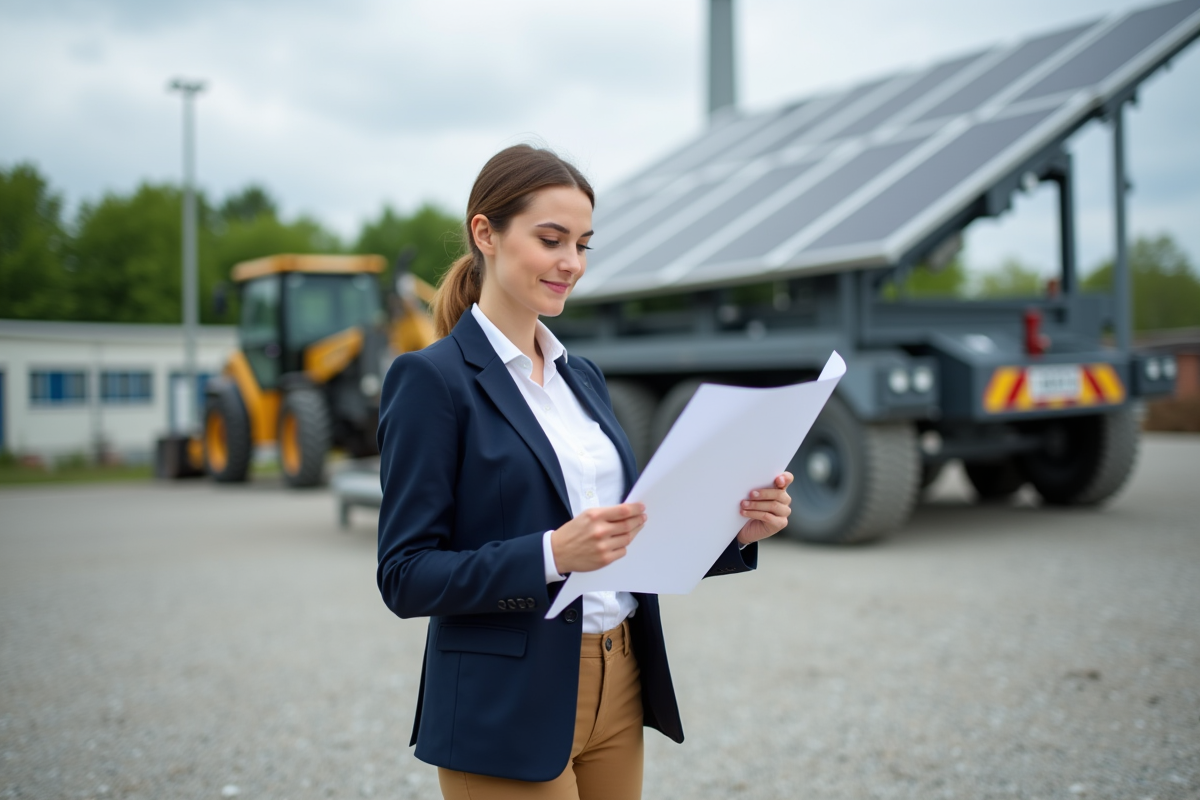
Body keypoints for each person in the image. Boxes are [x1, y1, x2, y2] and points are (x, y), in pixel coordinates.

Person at [376, 144, 794, 800]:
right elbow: (404, 576)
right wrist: (551, 553)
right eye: (551, 239)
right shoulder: (431, 381)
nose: (571, 263)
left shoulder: (584, 377)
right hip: (505, 700)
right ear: (485, 233)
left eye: (583, 244)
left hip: (620, 676)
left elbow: (628, 542)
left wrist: (735, 530)